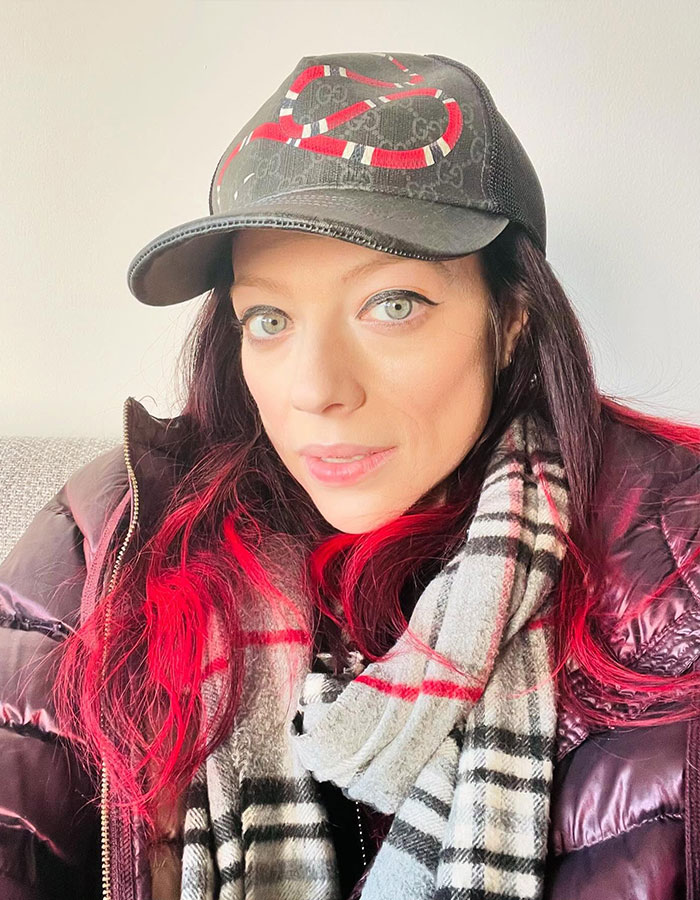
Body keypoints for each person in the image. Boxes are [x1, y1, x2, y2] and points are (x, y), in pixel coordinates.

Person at [1, 50, 699, 900]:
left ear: (511, 319)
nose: (317, 391)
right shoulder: (107, 531)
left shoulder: (672, 551)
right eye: (269, 317)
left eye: (392, 305)